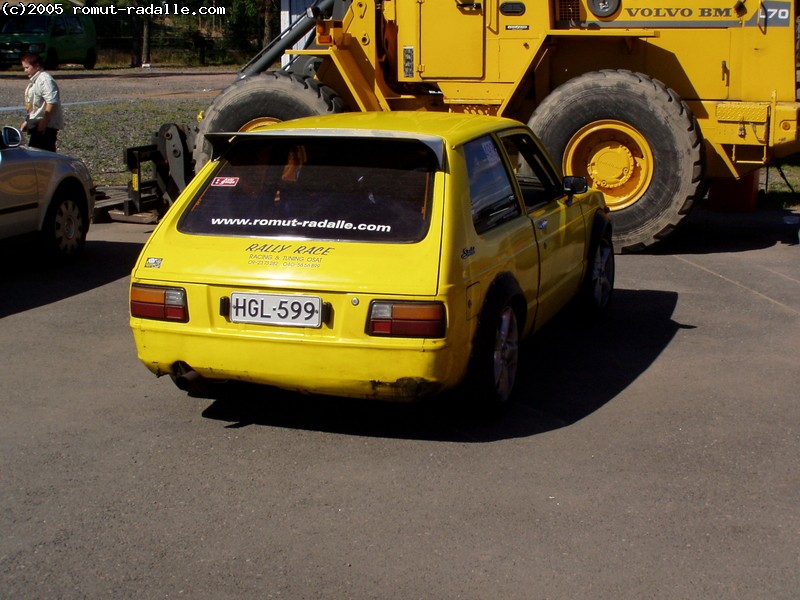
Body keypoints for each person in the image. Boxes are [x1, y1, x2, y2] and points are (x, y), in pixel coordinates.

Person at [19, 53, 64, 152]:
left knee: (43, 155)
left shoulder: (45, 80)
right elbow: (34, 106)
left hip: (45, 127)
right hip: (36, 124)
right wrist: (27, 121)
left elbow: (52, 101)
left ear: (37, 66)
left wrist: (44, 121)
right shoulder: (35, 80)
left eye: (27, 67)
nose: (25, 71)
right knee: (34, 152)